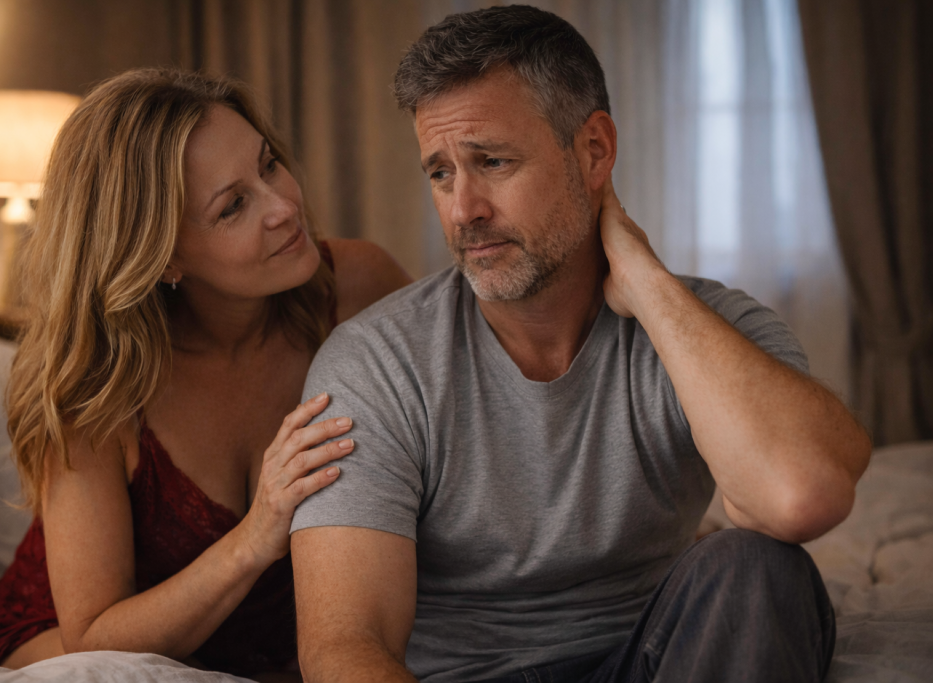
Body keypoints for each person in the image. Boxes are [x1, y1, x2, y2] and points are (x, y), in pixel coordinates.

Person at [289, 6, 871, 683]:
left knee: (761, 567)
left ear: (594, 151)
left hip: (653, 660)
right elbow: (343, 648)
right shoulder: (376, 363)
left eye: (493, 161)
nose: (462, 209)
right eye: (441, 172)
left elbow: (801, 494)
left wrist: (648, 285)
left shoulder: (704, 327)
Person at [0, 68, 411, 680]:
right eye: (233, 207)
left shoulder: (356, 286)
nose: (284, 207)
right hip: (69, 641)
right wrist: (257, 534)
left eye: (269, 165)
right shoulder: (98, 392)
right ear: (162, 253)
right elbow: (92, 634)